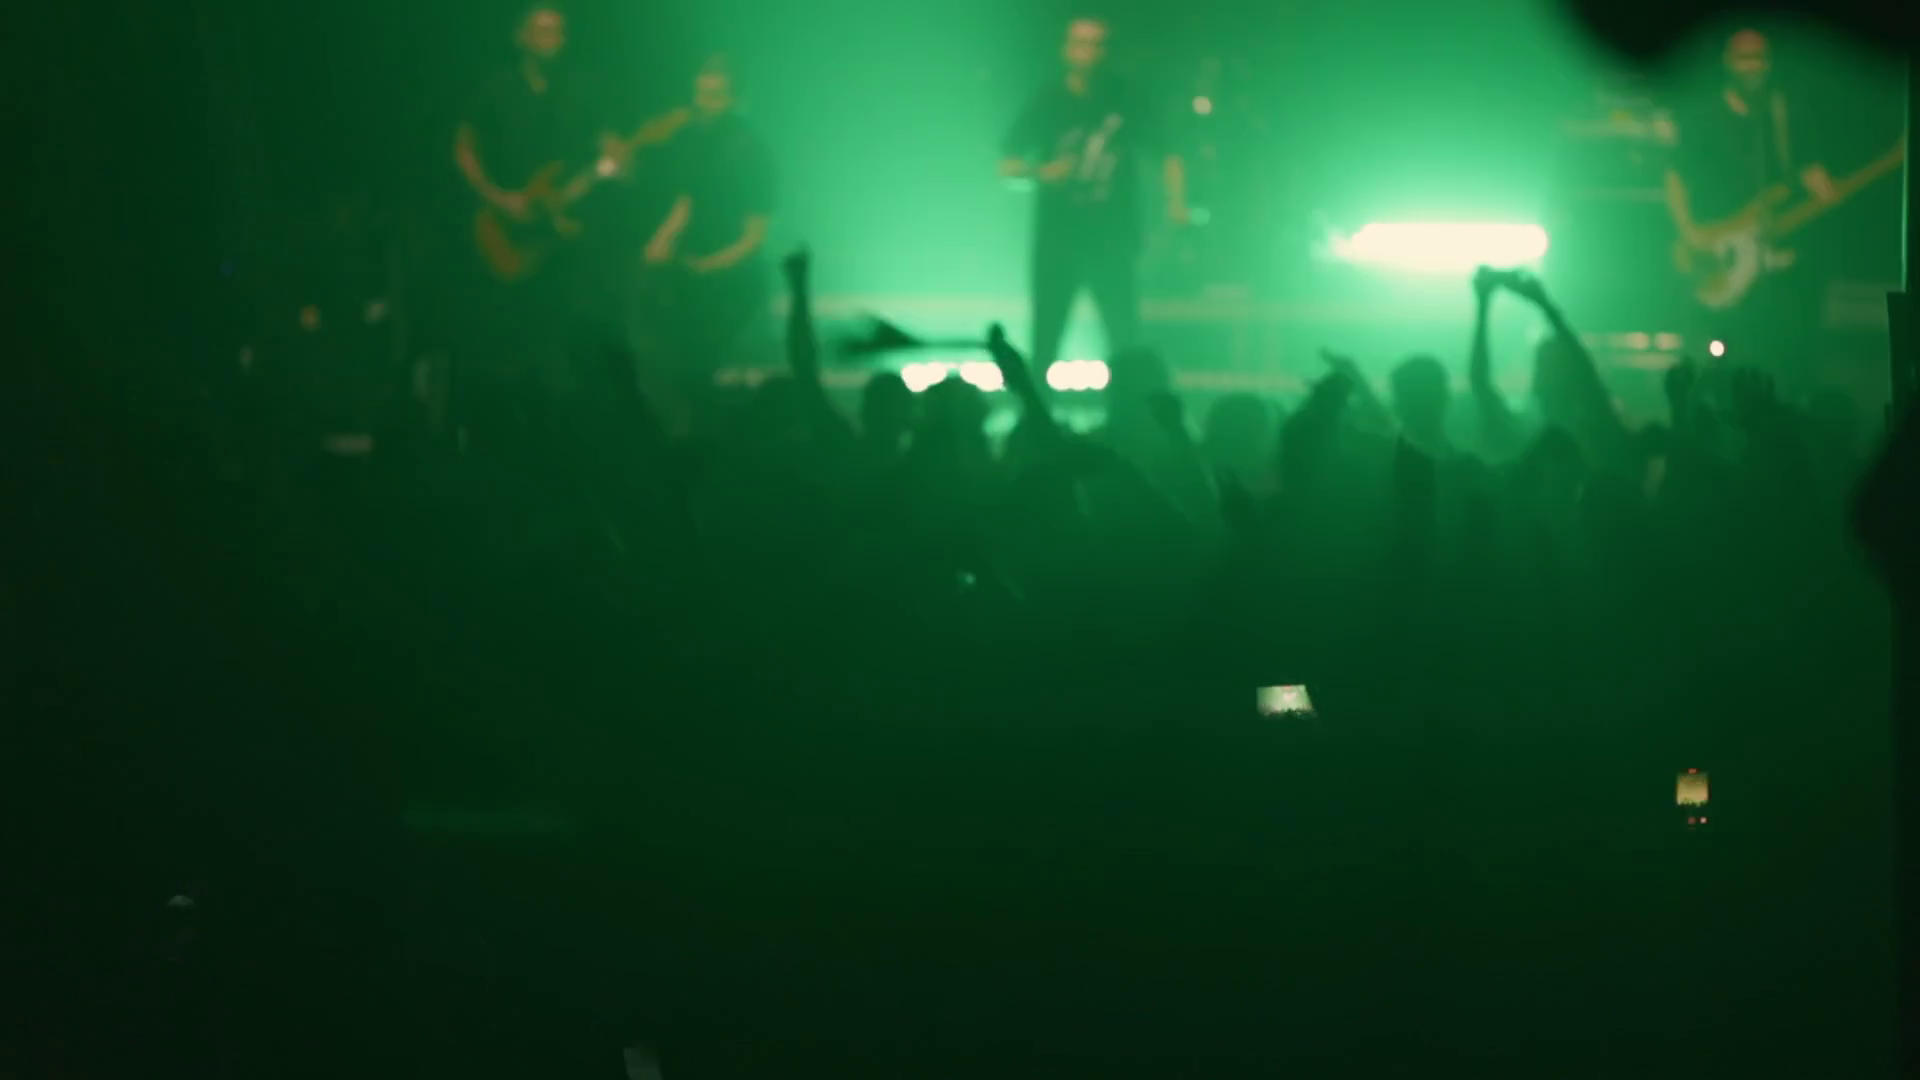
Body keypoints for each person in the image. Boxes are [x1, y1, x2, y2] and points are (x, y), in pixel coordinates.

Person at [450, 5, 620, 451]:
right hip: (503, 231)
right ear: (520, 36)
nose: (551, 37)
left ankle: (562, 441)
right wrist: (497, 197)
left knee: (560, 341)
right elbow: (463, 148)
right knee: (503, 340)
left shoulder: (583, 92)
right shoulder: (495, 89)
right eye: (541, 29)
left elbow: (609, 153)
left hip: (561, 239)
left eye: (558, 30)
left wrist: (612, 168)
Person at [999, 17, 1188, 386]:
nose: (1088, 52)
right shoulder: (1049, 100)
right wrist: (1043, 172)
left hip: (1112, 239)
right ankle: (1038, 414)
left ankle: (1127, 412)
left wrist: (1175, 208)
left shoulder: (1127, 98)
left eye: (1097, 44)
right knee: (1046, 335)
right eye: (1081, 43)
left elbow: (1167, 153)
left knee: (1123, 336)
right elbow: (1007, 164)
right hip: (1058, 239)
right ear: (1065, 49)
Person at [1661, 29, 1834, 389]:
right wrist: (1690, 233)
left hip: (1773, 262)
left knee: (1780, 358)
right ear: (1727, 62)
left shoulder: (1785, 112)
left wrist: (1824, 189)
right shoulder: (1704, 115)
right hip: (1718, 253)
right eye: (1745, 58)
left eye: (1761, 59)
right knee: (1713, 361)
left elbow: (1807, 170)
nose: (1754, 67)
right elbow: (1675, 177)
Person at [638, 54, 776, 433]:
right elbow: (688, 200)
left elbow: (754, 238)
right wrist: (661, 241)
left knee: (705, 372)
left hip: (734, 282)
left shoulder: (752, 152)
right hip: (693, 275)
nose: (703, 104)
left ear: (734, 99)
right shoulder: (696, 143)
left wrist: (706, 268)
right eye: (700, 94)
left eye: (714, 95)